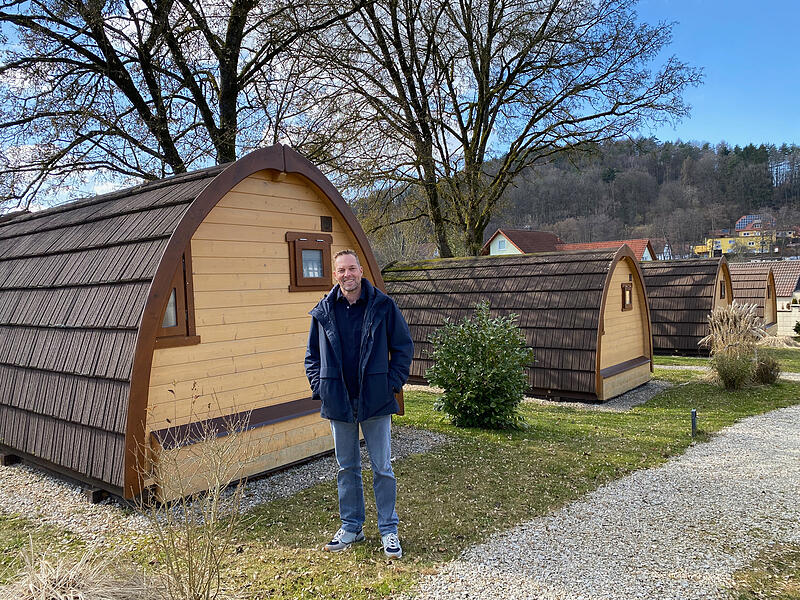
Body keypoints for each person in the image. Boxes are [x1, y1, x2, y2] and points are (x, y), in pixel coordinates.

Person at [305, 249, 413, 559]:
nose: (347, 274)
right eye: (341, 270)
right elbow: (312, 356)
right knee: (346, 467)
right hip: (338, 400)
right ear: (335, 275)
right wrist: (321, 387)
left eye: (352, 268)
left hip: (375, 401)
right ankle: (352, 527)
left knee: (382, 467)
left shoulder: (382, 306)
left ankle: (388, 530)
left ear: (360, 270)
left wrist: (391, 384)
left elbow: (403, 347)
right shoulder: (324, 310)